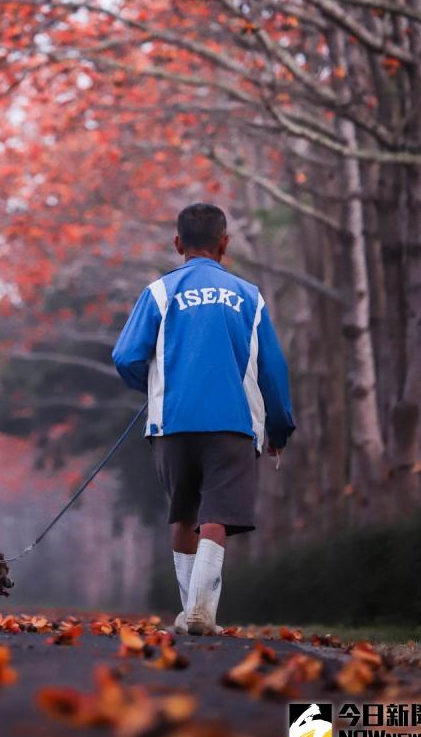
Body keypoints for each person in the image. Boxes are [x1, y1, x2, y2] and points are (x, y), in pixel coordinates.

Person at [112, 202, 295, 635]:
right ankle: (201, 613)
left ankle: (191, 611)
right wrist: (279, 425)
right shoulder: (249, 297)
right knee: (216, 514)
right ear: (224, 244)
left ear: (177, 244)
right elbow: (272, 369)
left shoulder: (159, 292)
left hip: (172, 423)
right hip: (232, 424)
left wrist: (157, 389)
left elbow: (125, 356)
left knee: (183, 514)